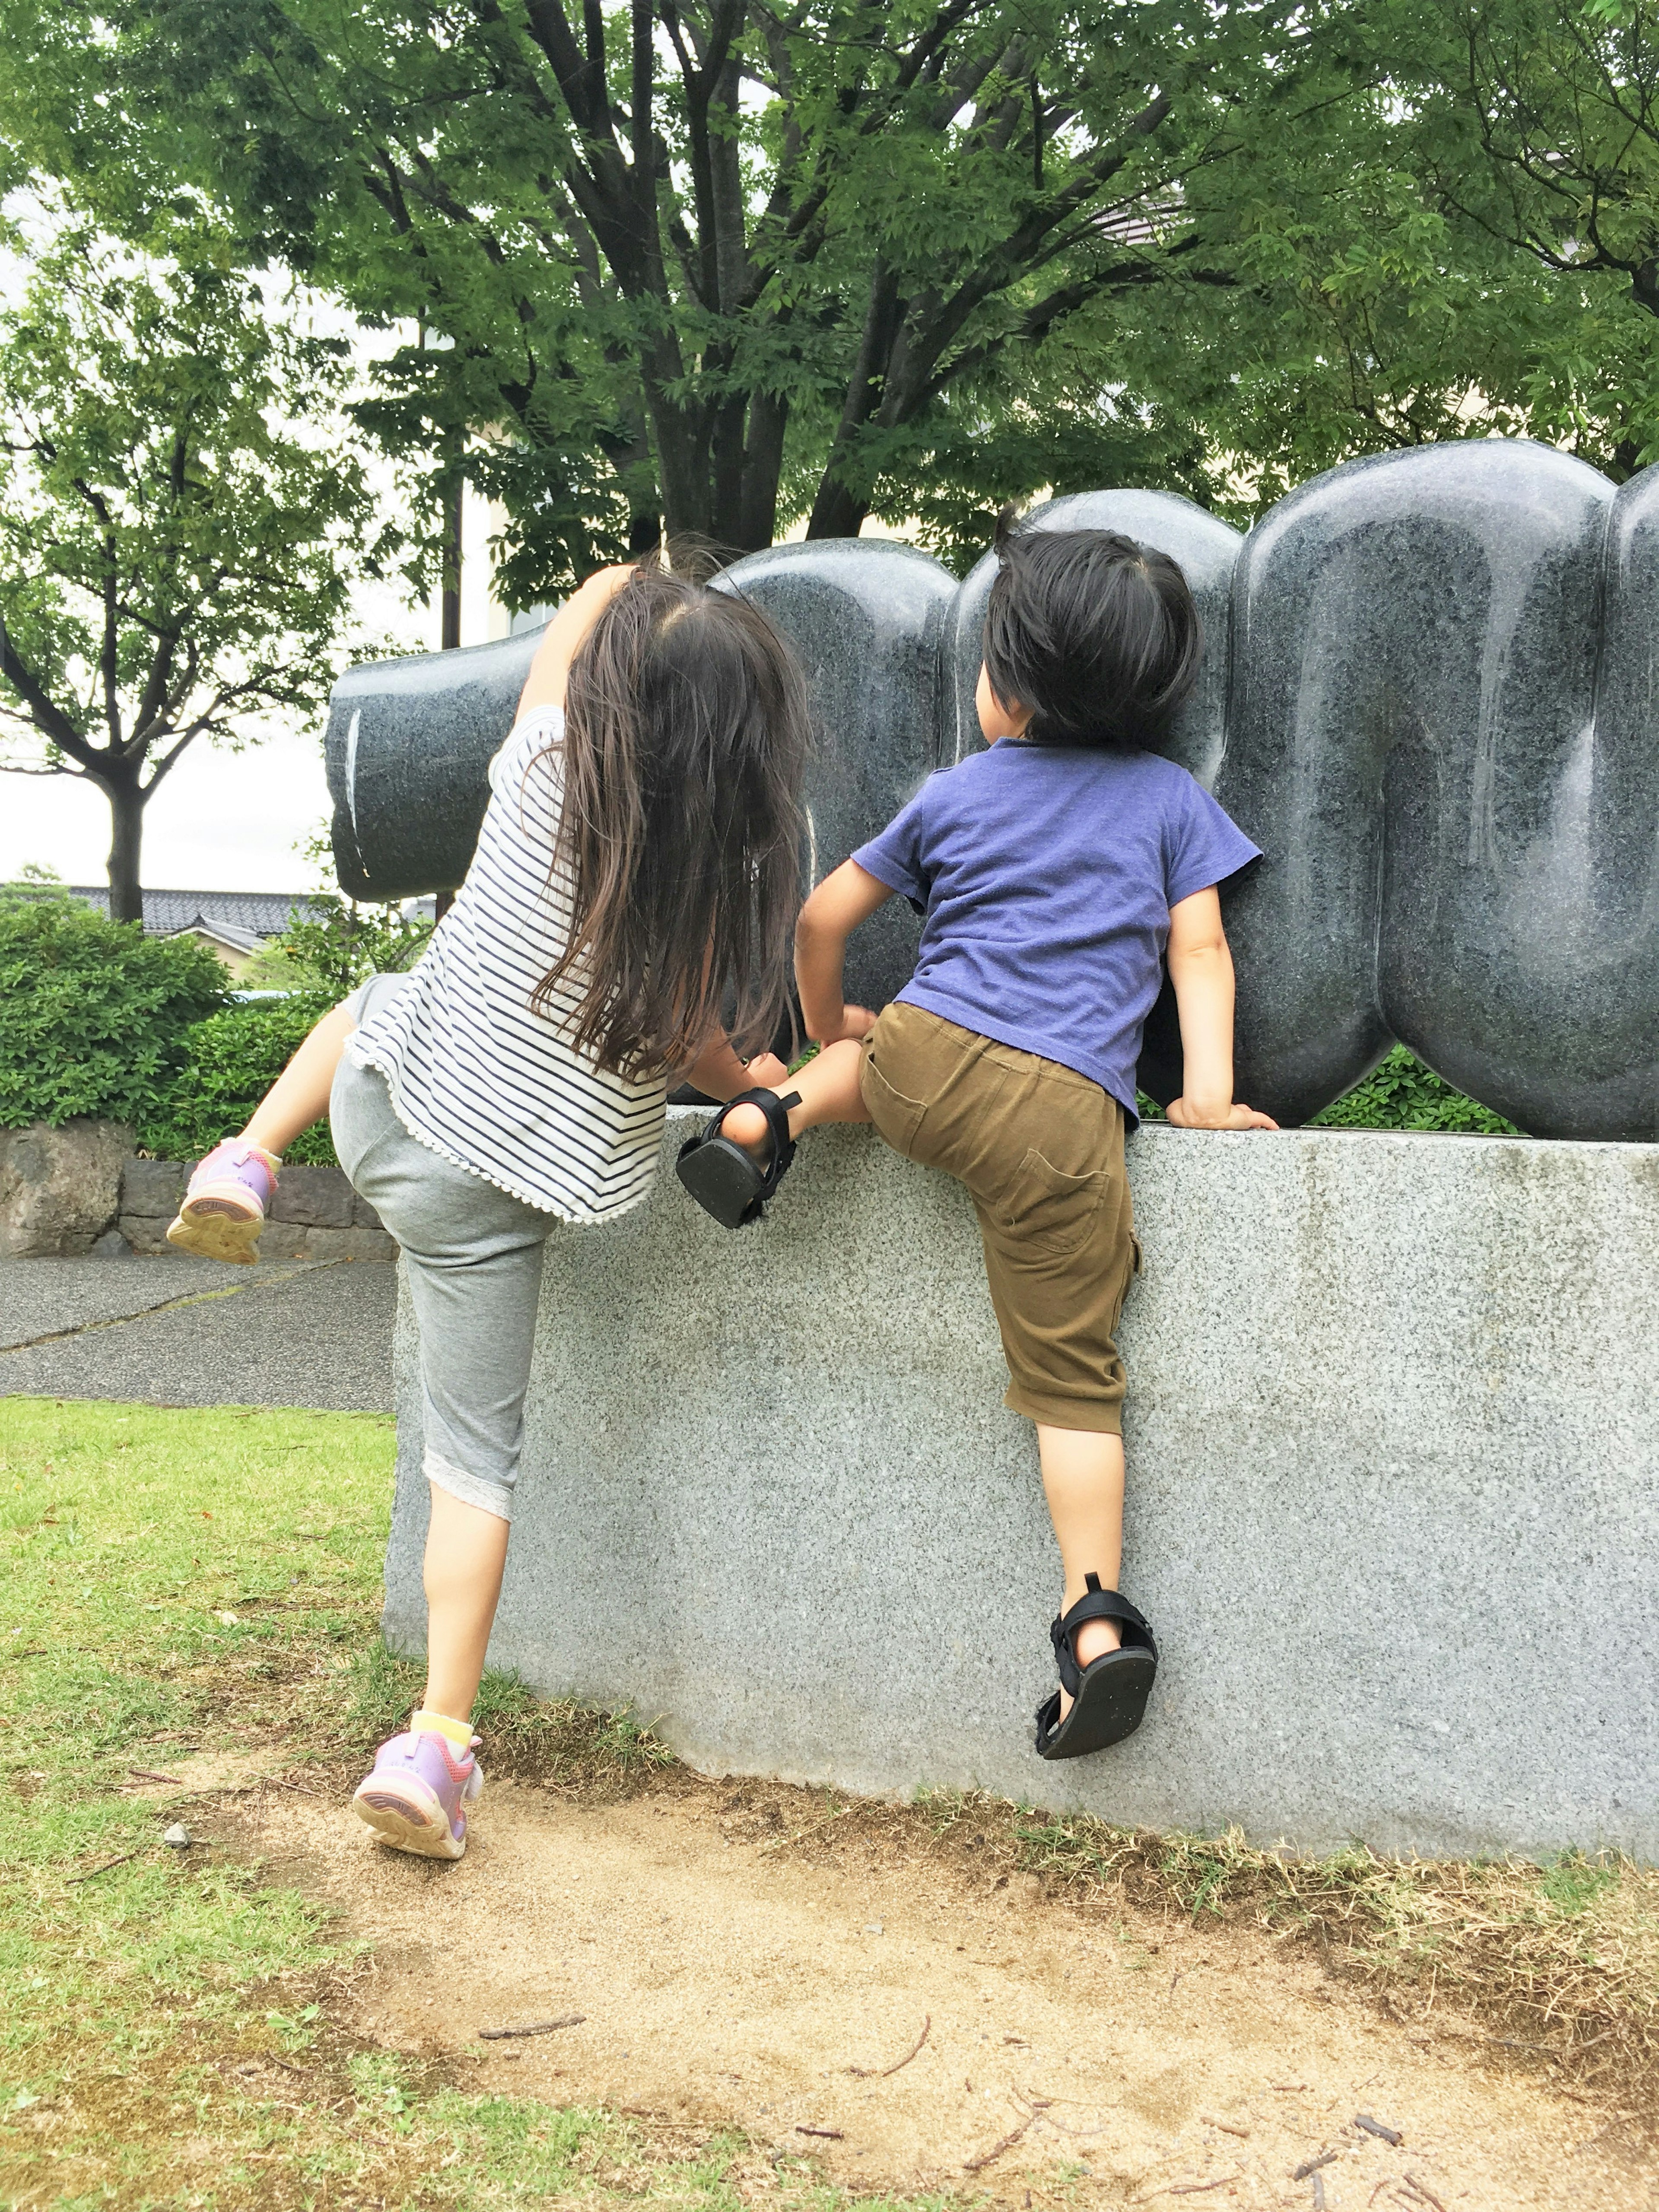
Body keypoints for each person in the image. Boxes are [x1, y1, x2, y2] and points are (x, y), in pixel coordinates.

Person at [166, 559, 810, 1858]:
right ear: (743, 753)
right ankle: (437, 1741)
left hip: (384, 1110)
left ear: (618, 690)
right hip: (489, 1203)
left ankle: (244, 1157)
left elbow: (557, 659)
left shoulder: (540, 770)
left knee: (381, 1001)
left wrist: (627, 576)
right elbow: (696, 1046)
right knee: (473, 1459)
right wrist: (756, 1080)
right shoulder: (700, 894)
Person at [675, 521, 1277, 1760]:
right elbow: (1199, 952)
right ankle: (1095, 1621)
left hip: (926, 1055)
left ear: (1006, 685)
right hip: (1061, 1120)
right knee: (1072, 1384)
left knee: (863, 1059)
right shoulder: (1171, 800)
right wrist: (1207, 1098)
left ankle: (764, 1119)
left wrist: (818, 1016)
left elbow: (824, 910)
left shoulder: (957, 789)